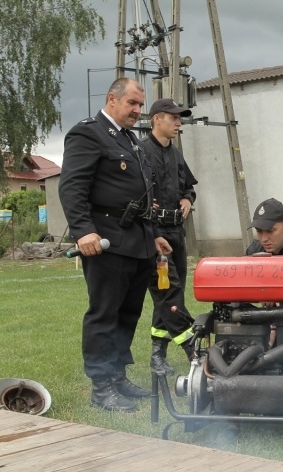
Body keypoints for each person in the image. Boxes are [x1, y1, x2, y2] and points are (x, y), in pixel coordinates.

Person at [59, 78, 172, 412]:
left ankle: (118, 377)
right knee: (104, 314)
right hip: (105, 240)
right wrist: (83, 231)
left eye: (140, 106)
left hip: (137, 240)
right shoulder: (88, 133)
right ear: (112, 99)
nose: (138, 111)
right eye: (132, 104)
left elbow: (141, 196)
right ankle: (101, 387)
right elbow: (72, 186)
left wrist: (153, 235)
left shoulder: (130, 140)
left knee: (127, 314)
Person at [143, 99, 198, 375]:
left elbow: (189, 186)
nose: (178, 123)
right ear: (156, 119)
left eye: (180, 118)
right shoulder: (141, 152)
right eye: (173, 118)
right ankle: (194, 351)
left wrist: (188, 199)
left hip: (177, 234)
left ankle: (157, 356)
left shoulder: (176, 154)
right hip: (156, 236)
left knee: (170, 294)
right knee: (169, 291)